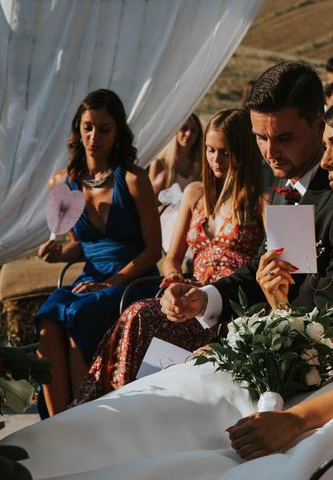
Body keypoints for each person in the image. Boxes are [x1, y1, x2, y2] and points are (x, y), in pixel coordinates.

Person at [0, 87, 333, 480]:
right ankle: (28, 458)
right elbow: (326, 320)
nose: (328, 161)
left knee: (200, 444)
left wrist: (294, 420)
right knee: (170, 395)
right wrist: (269, 311)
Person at [161, 61, 333, 335]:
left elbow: (330, 318)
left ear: (319, 126)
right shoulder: (289, 181)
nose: (270, 152)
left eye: (284, 138)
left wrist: (278, 309)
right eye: (260, 137)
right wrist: (203, 298)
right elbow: (263, 268)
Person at [74, 109, 266, 403]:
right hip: (190, 295)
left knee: (140, 315)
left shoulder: (261, 201)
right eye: (210, 151)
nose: (215, 160)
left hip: (231, 308)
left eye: (225, 152)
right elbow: (171, 258)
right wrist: (174, 282)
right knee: (138, 315)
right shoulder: (195, 193)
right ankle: (109, 403)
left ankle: (119, 405)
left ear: (243, 152)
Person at [35, 89, 161, 417]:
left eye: (104, 129)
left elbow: (153, 251)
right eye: (88, 127)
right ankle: (56, 421)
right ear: (78, 128)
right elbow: (85, 244)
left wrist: (110, 283)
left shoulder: (133, 179)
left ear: (118, 132)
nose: (94, 137)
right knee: (48, 318)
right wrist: (60, 254)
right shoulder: (63, 183)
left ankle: (83, 417)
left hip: (135, 278)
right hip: (92, 277)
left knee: (80, 314)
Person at [148, 114, 203, 197]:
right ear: (175, 131)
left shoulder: (201, 164)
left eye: (194, 130)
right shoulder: (159, 163)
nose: (188, 133)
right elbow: (150, 199)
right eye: (184, 128)